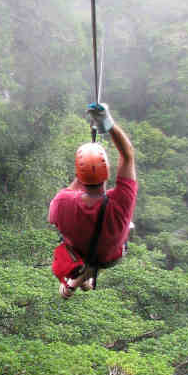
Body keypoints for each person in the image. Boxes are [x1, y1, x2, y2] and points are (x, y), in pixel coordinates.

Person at [48, 105, 137, 298]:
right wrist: (108, 123)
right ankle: (82, 280)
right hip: (110, 257)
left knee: (77, 245)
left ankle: (79, 281)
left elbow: (66, 197)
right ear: (107, 173)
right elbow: (128, 155)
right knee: (128, 226)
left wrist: (83, 170)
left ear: (78, 174)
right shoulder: (120, 203)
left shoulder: (63, 202)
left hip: (80, 252)